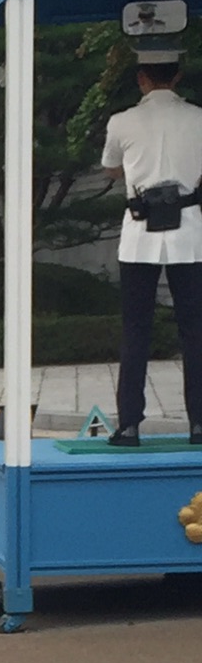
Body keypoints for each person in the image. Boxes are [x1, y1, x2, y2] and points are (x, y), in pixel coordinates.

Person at [100, 50, 202, 444]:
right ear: (176, 77)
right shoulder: (198, 118)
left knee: (135, 330)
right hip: (189, 233)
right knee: (195, 331)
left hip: (140, 234)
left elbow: (111, 168)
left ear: (142, 78)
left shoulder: (121, 121)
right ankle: (199, 423)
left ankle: (129, 424)